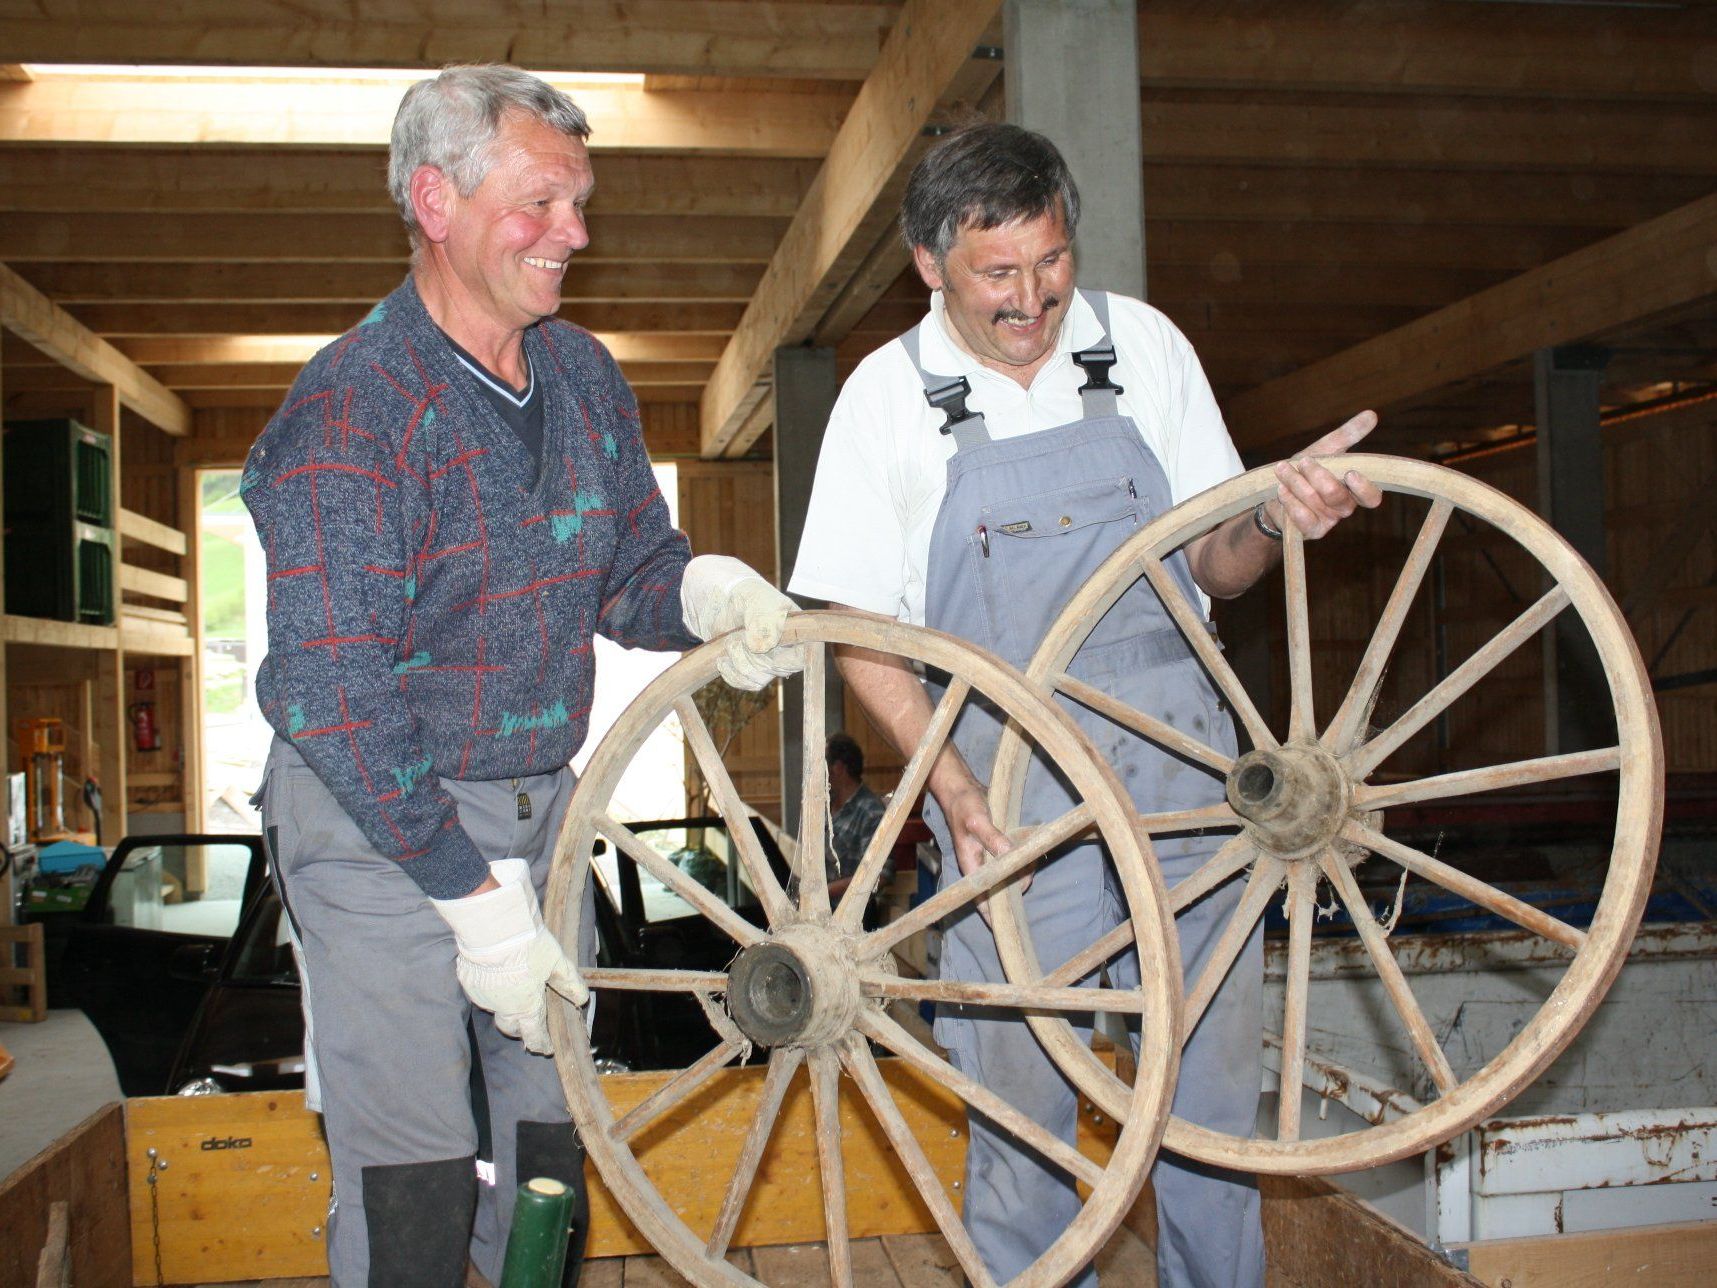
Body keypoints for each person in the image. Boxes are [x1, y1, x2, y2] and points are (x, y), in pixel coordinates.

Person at [788, 122, 1380, 1288]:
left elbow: (1215, 563)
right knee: (1016, 1103)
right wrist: (949, 789)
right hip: (1006, 798)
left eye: (1050, 262)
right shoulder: (885, 402)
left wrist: (1269, 518)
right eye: (996, 274)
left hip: (1181, 770)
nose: (1032, 299)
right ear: (928, 264)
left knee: (1204, 1097)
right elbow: (857, 633)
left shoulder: (1139, 345)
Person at [243, 65, 798, 1288]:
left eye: (582, 201)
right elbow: (334, 689)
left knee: (553, 1147)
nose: (576, 233)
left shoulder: (584, 377)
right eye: (542, 201)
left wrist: (702, 592)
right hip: (376, 817)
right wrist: (465, 892)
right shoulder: (354, 407)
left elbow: (626, 570)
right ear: (434, 201)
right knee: (421, 1171)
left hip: (537, 807)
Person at [824, 731, 890, 908]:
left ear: (837, 768)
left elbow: (879, 875)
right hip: (821, 911)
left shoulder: (871, 812)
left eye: (822, 765)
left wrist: (824, 892)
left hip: (849, 917)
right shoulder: (826, 804)